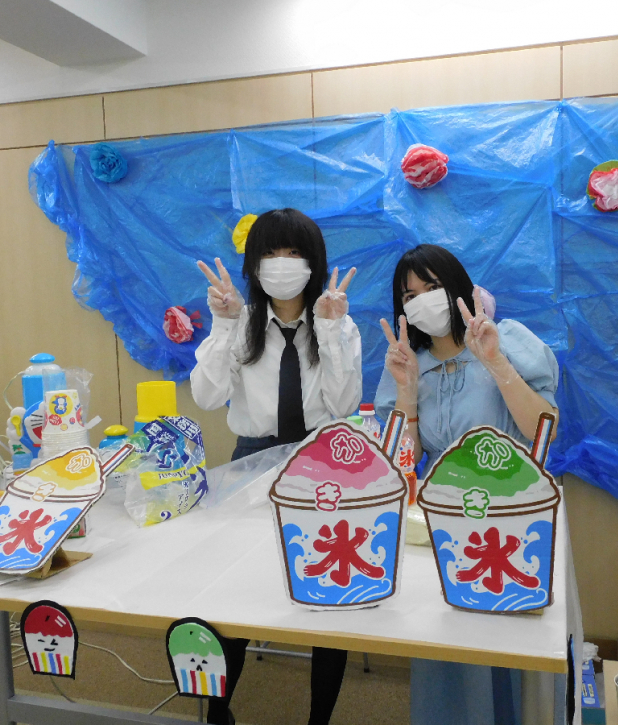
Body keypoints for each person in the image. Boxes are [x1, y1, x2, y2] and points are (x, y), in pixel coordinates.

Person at [374, 243, 559, 725]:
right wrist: (407, 391)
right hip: (446, 521)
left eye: (432, 286)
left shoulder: (506, 339)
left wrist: (496, 363)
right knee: (453, 646)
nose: (422, 300)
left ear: (457, 285)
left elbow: (544, 429)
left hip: (516, 517)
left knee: (515, 647)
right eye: (409, 295)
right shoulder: (408, 361)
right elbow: (400, 464)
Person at [191, 208, 361, 725]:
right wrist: (224, 325)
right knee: (236, 592)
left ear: (314, 263)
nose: (282, 263)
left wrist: (329, 332)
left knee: (327, 594)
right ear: (253, 264)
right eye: (270, 252)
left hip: (319, 464)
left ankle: (318, 720)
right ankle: (218, 712)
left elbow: (344, 406)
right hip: (251, 462)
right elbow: (206, 396)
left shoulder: (338, 323)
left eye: (294, 252)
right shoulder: (240, 323)